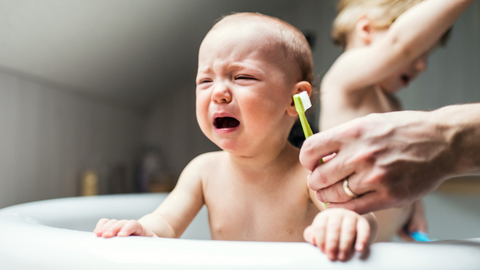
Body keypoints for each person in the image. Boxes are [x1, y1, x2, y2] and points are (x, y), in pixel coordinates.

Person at [93, 13, 378, 262]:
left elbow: (366, 218)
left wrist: (344, 220)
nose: (218, 92)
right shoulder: (203, 171)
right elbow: (165, 223)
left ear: (296, 100)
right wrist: (145, 229)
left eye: (242, 77)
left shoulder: (310, 172)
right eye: (205, 80)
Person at [300, 0, 475, 215]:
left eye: (428, 53)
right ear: (366, 29)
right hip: (348, 237)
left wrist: (412, 208)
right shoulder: (344, 77)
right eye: (419, 49)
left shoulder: (391, 102)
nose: (423, 65)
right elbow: (400, 45)